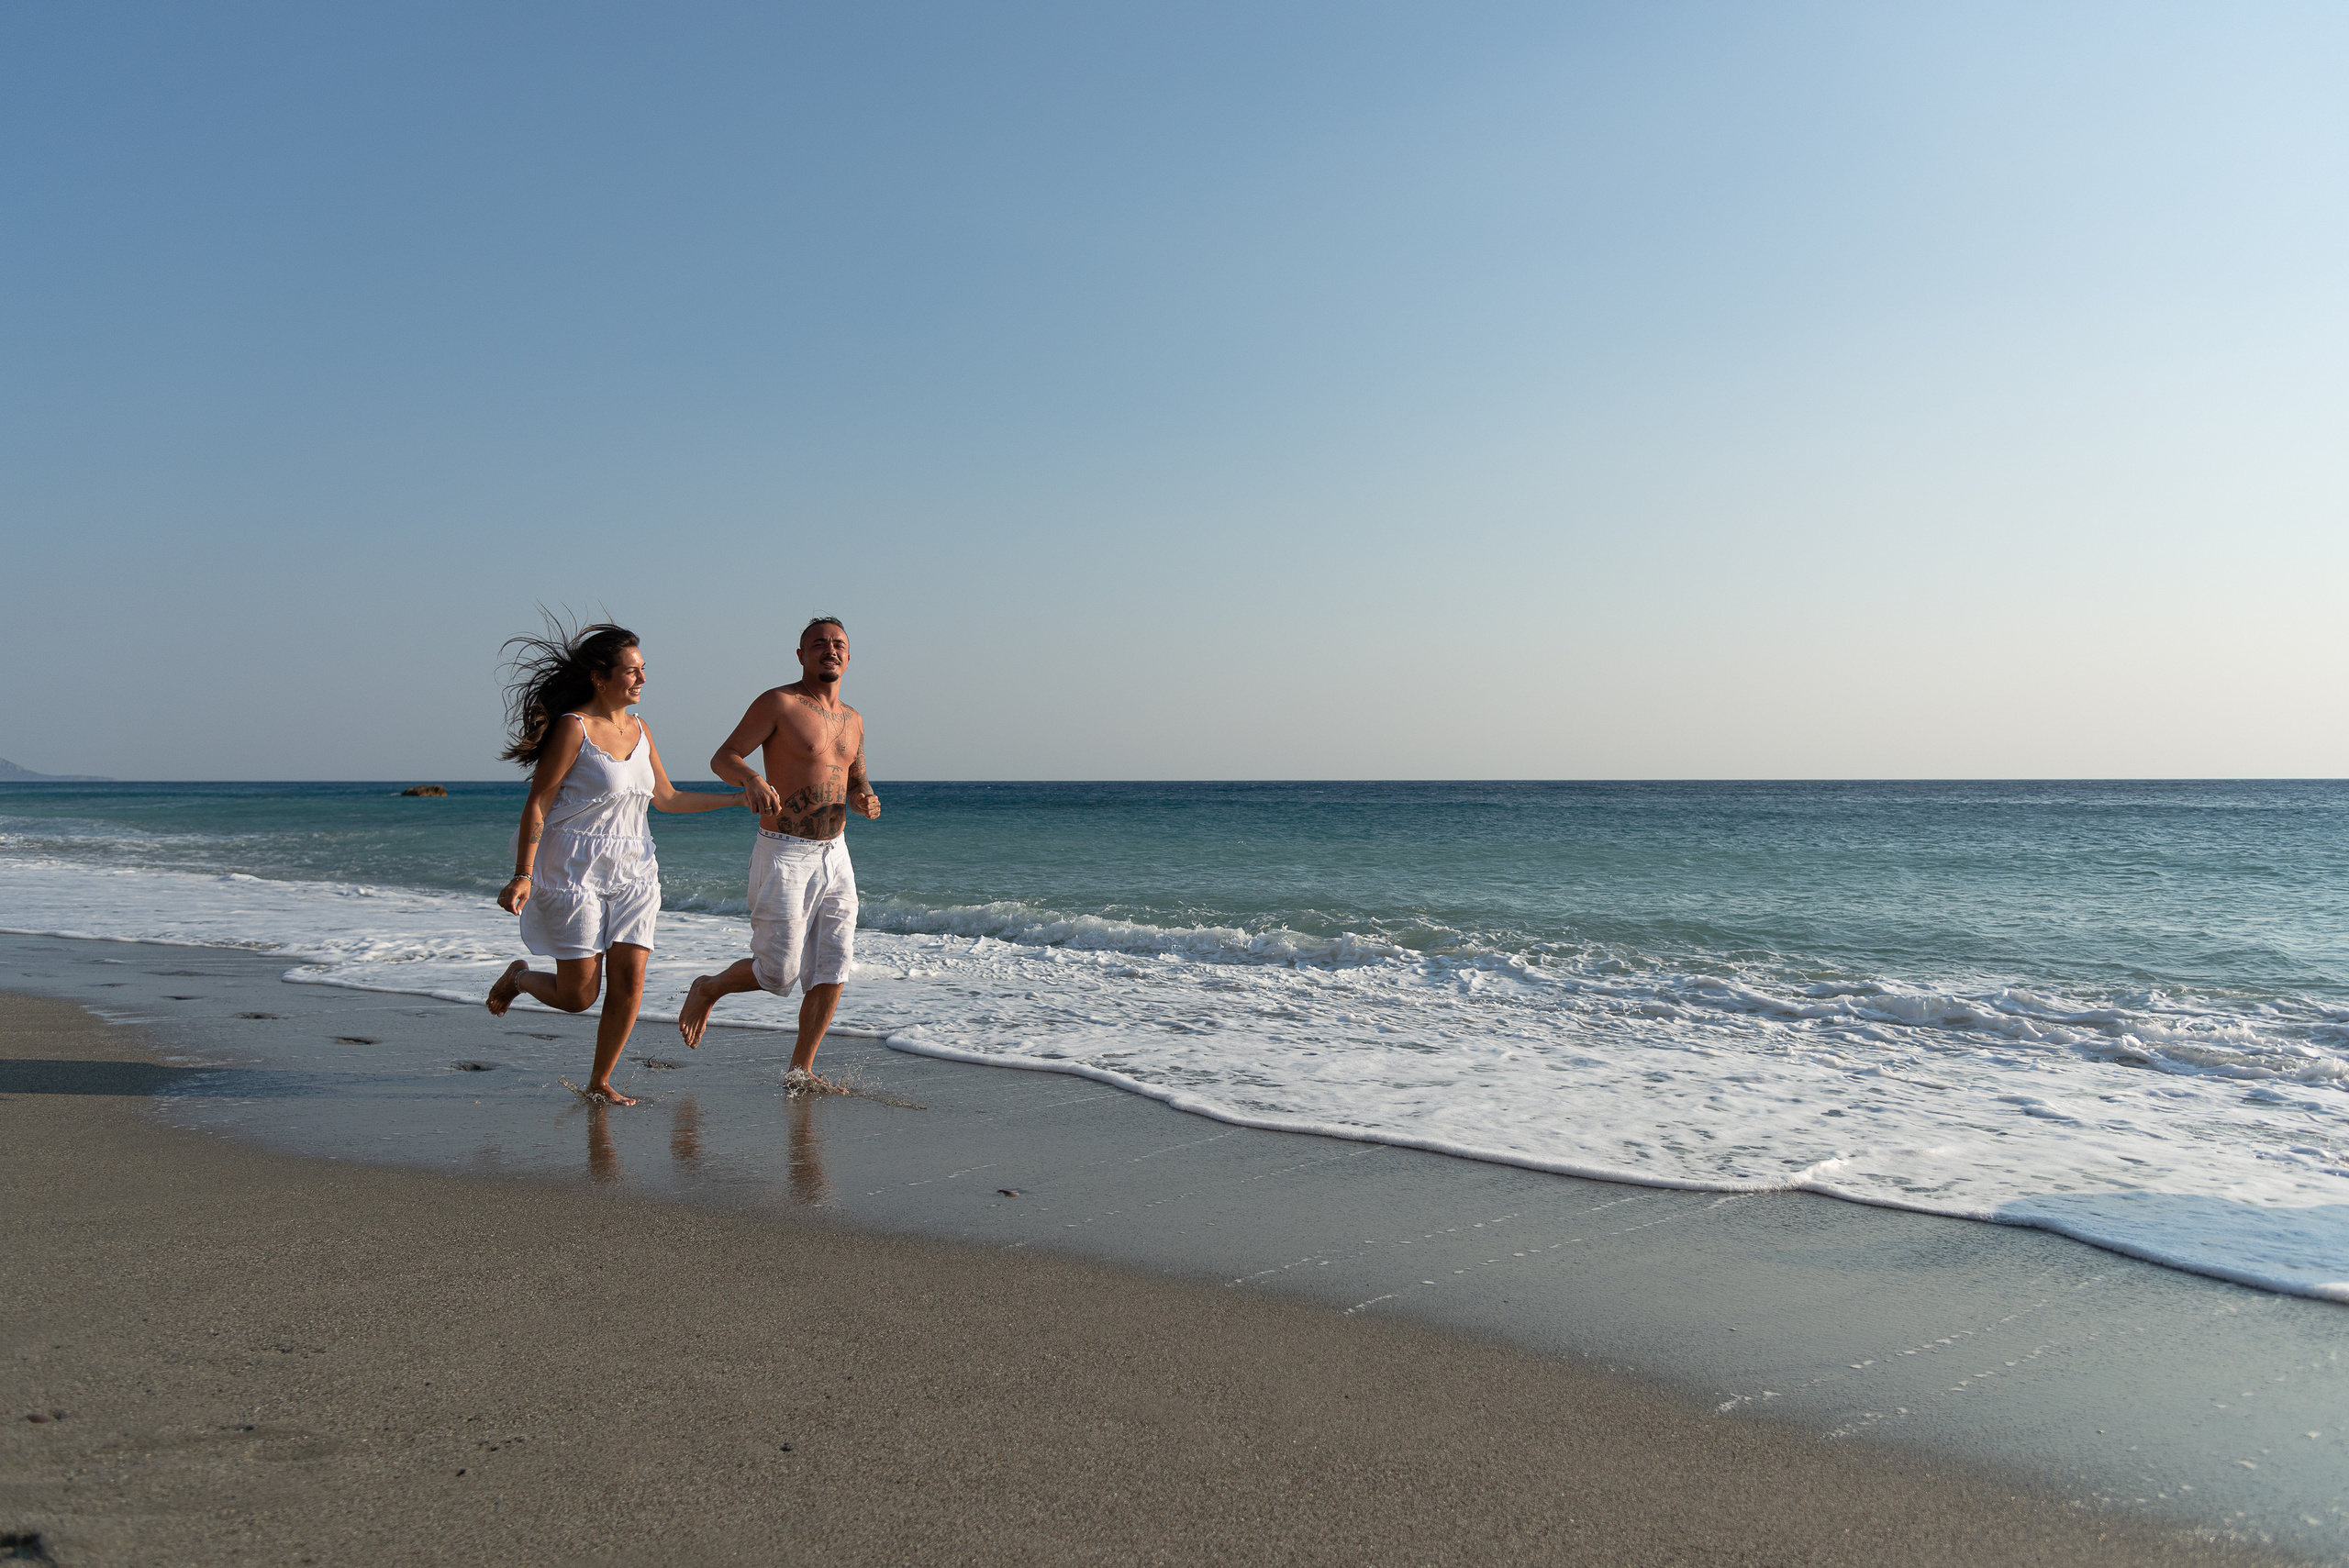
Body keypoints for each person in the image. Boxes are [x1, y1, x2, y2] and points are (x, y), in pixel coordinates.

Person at [484, 621, 745, 1105]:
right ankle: (519, 977)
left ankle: (600, 1081)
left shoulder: (642, 729)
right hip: (573, 871)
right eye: (631, 671)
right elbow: (539, 802)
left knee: (631, 978)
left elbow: (665, 798)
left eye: (643, 670)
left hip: (634, 869)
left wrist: (734, 801)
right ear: (599, 677)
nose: (642, 679)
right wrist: (523, 874)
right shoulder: (574, 728)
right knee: (578, 997)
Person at [676, 617, 879, 1088]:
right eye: (819, 644)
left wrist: (865, 796)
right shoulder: (779, 703)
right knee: (777, 972)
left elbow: (856, 776)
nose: (830, 650)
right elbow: (723, 756)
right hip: (784, 852)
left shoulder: (854, 718)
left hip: (836, 854)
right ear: (801, 654)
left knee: (834, 963)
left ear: (849, 655)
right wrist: (750, 779)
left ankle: (800, 1070)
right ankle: (708, 988)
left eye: (839, 644)